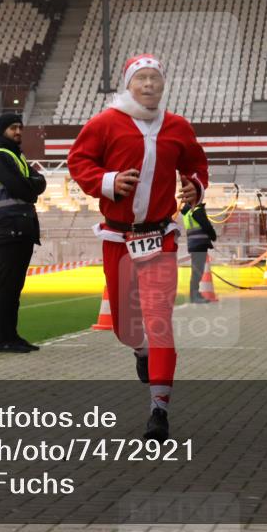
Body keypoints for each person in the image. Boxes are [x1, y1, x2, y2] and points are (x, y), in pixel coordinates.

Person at [68, 53, 208, 442]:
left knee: (159, 321)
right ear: (128, 84)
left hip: (160, 237)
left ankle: (158, 409)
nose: (149, 85)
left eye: (155, 79)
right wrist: (108, 181)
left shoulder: (178, 126)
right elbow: (79, 162)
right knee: (127, 330)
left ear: (163, 85)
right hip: (118, 237)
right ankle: (140, 351)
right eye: (141, 79)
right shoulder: (105, 123)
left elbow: (197, 164)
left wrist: (195, 186)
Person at [0, 113, 46, 354]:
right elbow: (25, 188)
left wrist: (32, 186)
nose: (18, 131)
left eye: (20, 127)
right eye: (12, 128)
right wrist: (32, 187)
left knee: (14, 288)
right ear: (1, 130)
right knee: (7, 287)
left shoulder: (14, 155)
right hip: (8, 227)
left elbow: (40, 182)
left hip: (21, 227)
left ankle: (12, 335)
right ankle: (4, 339)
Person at [182, 202, 217, 303]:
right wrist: (213, 236)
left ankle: (195, 294)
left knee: (196, 271)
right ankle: (195, 296)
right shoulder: (197, 210)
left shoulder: (187, 212)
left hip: (194, 244)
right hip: (200, 244)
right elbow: (206, 226)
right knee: (197, 271)